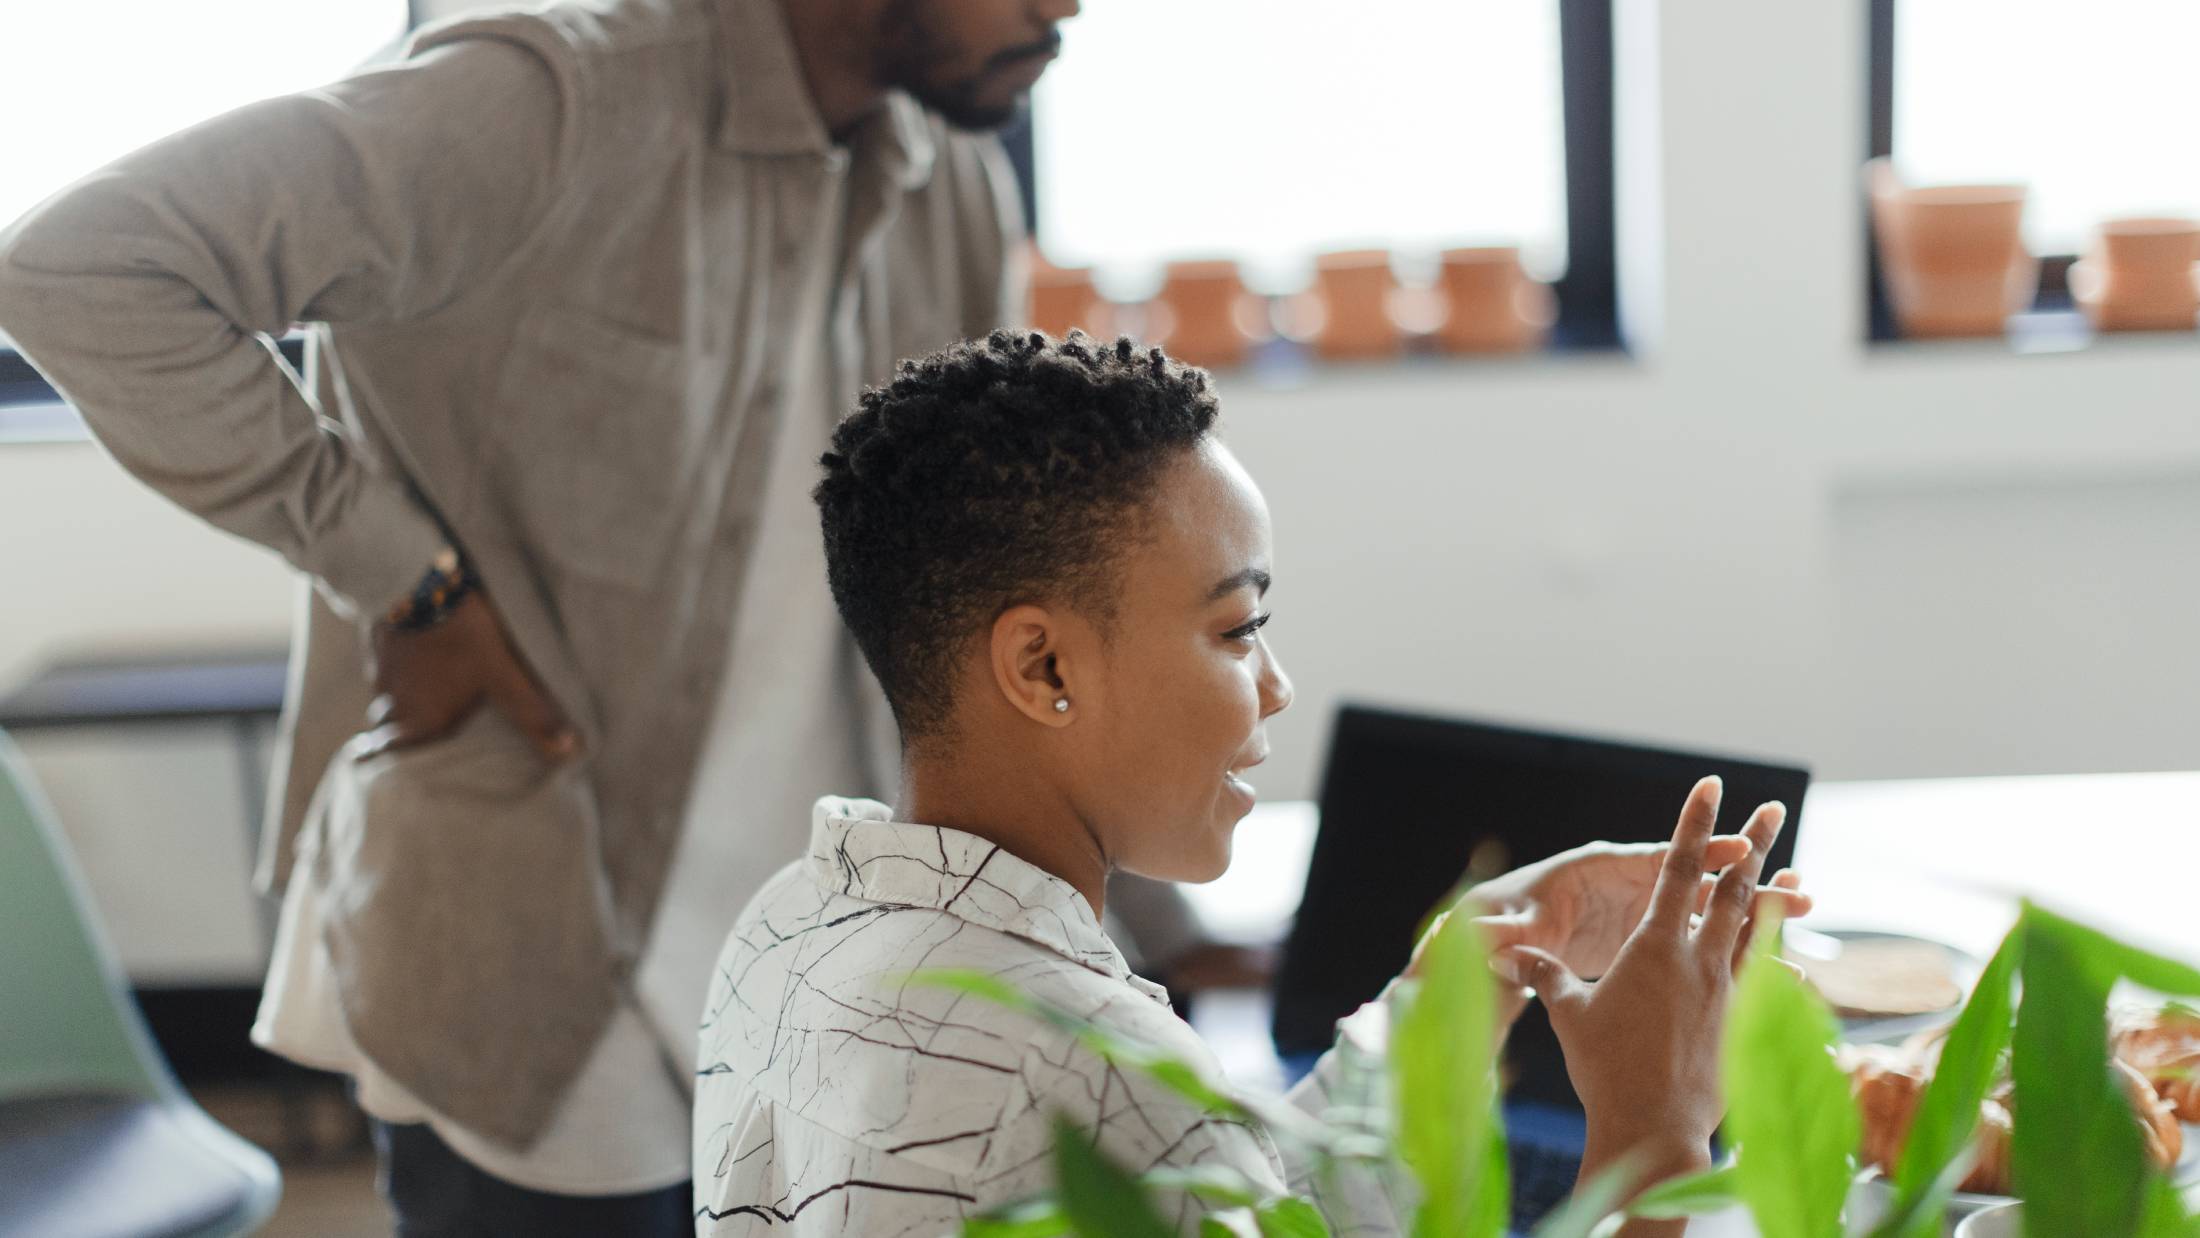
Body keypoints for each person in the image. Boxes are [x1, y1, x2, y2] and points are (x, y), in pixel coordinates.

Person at [0, 2, 1223, 1233]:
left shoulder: (950, 179)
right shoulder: (542, 95)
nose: (1065, 6)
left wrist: (1144, 909)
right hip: (530, 941)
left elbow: (991, 577)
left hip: (814, 952)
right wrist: (401, 577)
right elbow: (80, 269)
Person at [693, 330, 1810, 1235]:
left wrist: (1462, 971)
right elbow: (1187, 1164)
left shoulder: (785, 933)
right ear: (1043, 667)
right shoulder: (1101, 1089)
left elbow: (1258, 1204)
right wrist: (1652, 1129)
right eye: (1237, 627)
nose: (1274, 685)